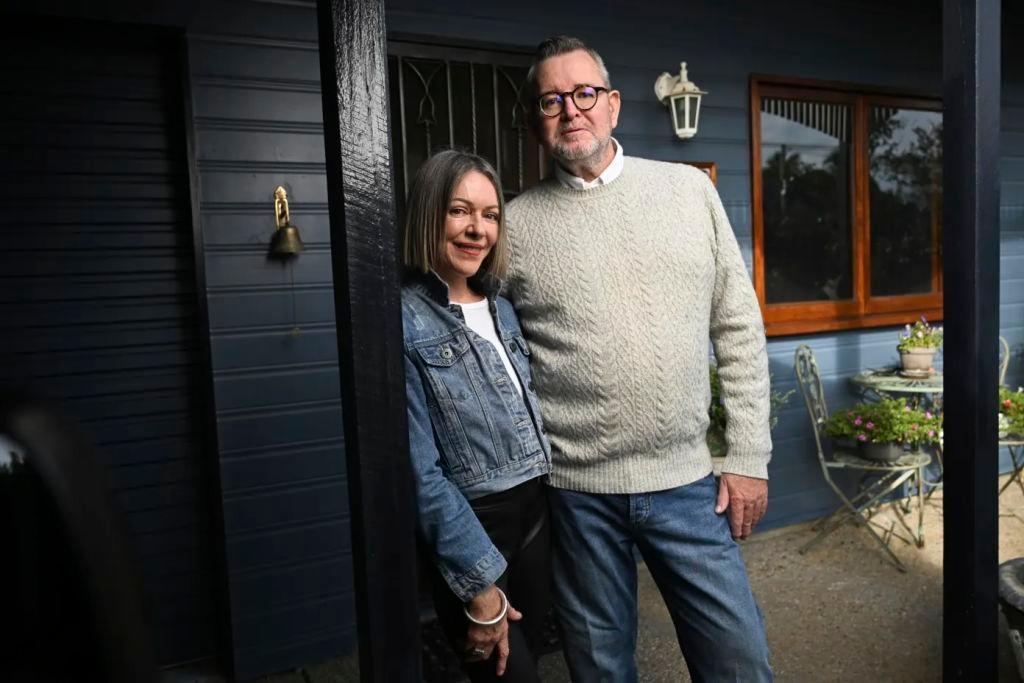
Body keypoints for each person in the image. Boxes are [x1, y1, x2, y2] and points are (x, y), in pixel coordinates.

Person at [504, 35, 774, 681]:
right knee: (599, 669)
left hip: (687, 486)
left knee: (739, 663)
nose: (571, 110)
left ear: (614, 104)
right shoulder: (512, 224)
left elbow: (737, 326)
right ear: (538, 119)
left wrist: (747, 456)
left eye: (584, 93)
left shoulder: (688, 191)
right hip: (577, 495)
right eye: (552, 100)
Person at [400, 149, 552, 681]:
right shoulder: (402, 319)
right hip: (475, 531)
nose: (477, 229)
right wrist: (480, 585)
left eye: (490, 215)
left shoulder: (503, 306)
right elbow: (418, 473)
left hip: (539, 521)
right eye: (459, 211)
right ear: (429, 214)